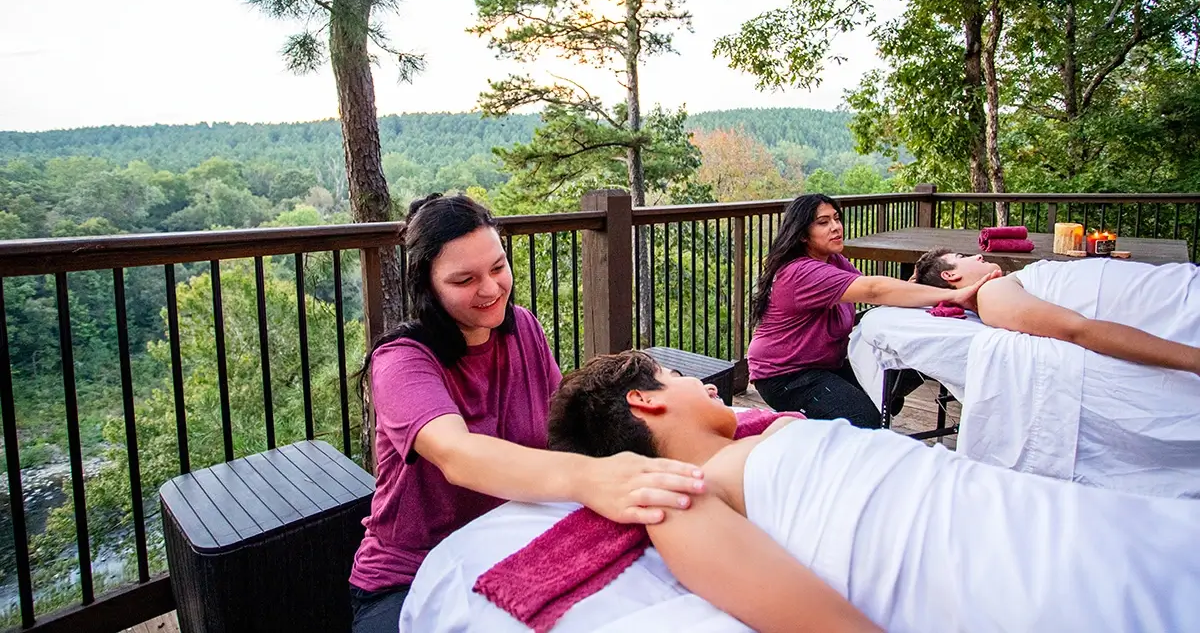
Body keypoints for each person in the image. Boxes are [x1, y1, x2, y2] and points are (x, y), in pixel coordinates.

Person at [544, 351, 1199, 632]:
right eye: (671, 374)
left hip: (1040, 514)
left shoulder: (761, 438)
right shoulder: (683, 496)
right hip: (1020, 576)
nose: (705, 382)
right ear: (644, 400)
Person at [347, 195, 707, 633]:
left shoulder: (523, 329)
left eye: (498, 268)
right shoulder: (402, 362)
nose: (491, 289)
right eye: (464, 279)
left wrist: (684, 417)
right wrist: (588, 479)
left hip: (512, 545)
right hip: (408, 576)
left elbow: (566, 430)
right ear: (428, 286)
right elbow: (458, 455)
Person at [747, 194, 998, 427]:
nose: (835, 227)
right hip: (786, 375)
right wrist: (954, 294)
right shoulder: (800, 273)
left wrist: (914, 289)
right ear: (802, 234)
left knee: (906, 361)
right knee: (864, 420)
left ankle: (870, 405)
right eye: (823, 222)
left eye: (836, 218)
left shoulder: (832, 260)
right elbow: (874, 290)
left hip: (824, 363)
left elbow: (872, 289)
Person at [913, 248, 1200, 374]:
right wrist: (1193, 360)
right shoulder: (991, 294)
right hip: (1179, 300)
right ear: (950, 277)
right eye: (961, 258)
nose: (978, 255)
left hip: (1175, 291)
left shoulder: (1003, 289)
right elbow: (1078, 329)